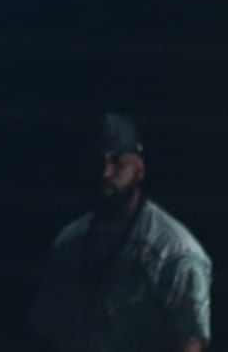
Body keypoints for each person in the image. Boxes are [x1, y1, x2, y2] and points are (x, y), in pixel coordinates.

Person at [31, 113, 209, 352]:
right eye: (97, 161)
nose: (105, 172)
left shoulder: (174, 252)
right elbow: (47, 329)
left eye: (118, 161)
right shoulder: (69, 242)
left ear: (139, 169)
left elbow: (189, 342)